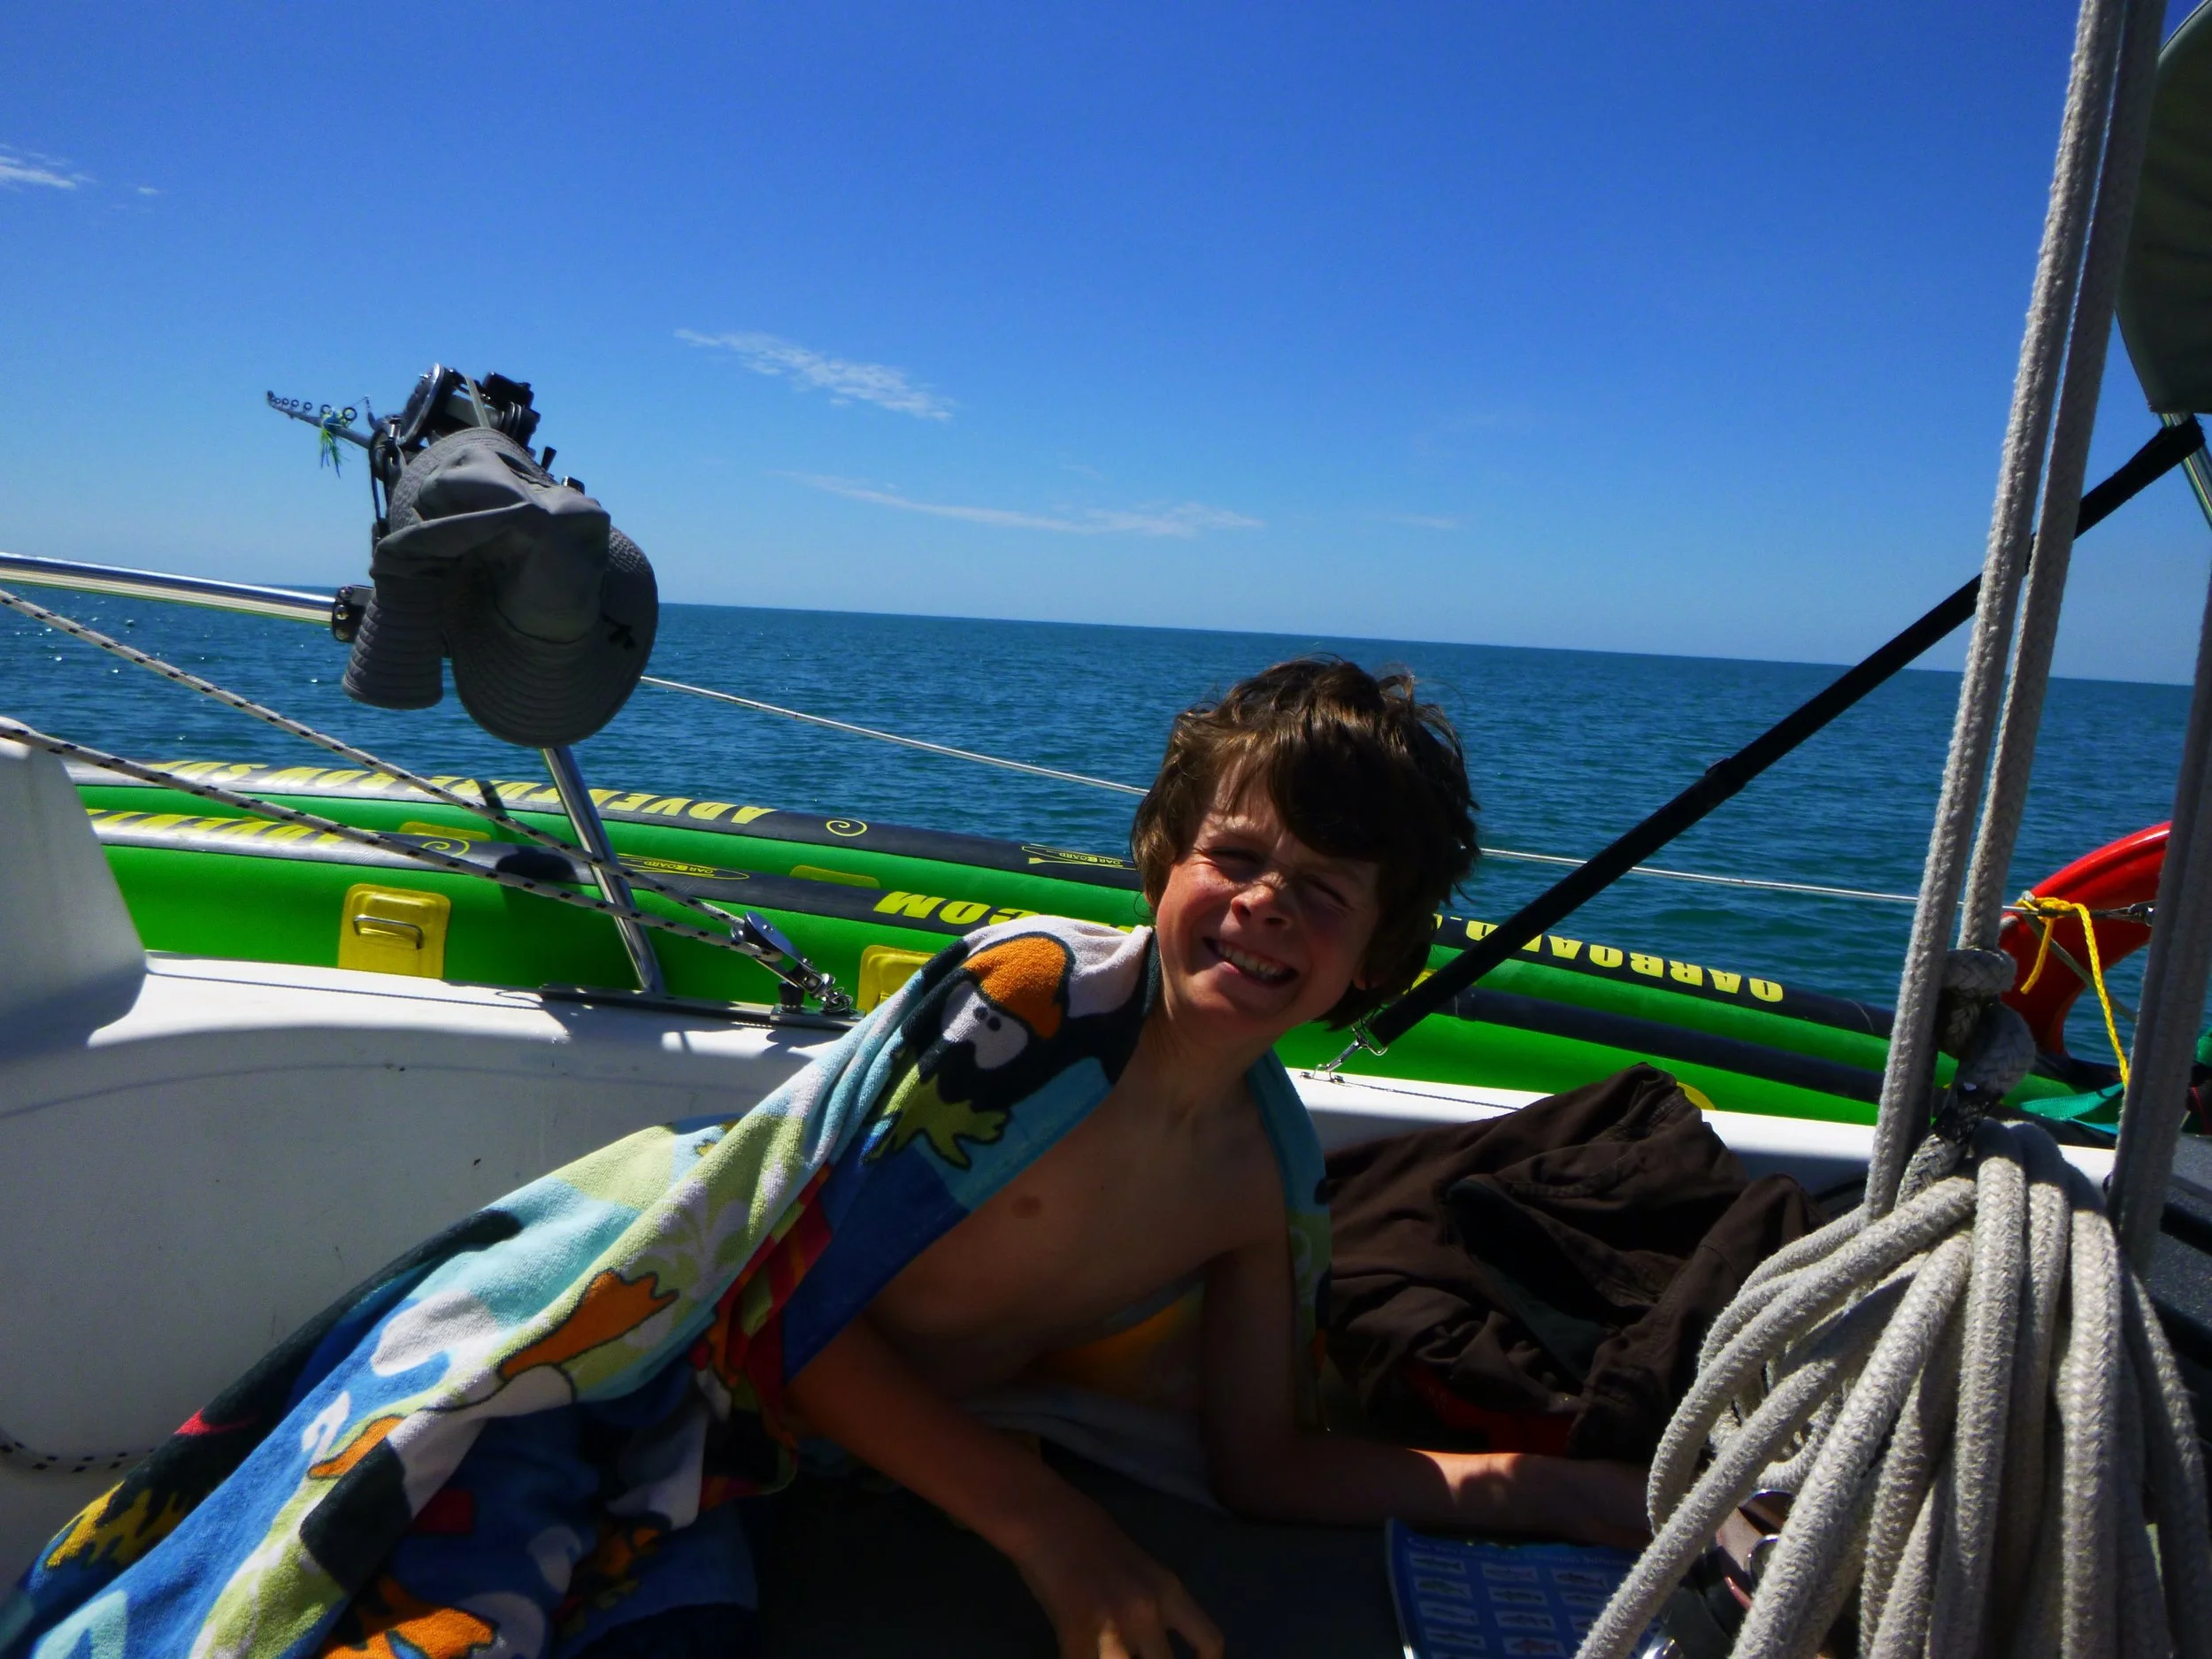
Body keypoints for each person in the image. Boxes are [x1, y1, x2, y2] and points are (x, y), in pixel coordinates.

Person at [786, 657, 1648, 1659]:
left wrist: (1572, 1494)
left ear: (1376, 954)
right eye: (1234, 856)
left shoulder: (1260, 1179)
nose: (1267, 902)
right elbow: (779, 1295)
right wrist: (1056, 1533)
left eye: (1325, 889)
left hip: (886, 1472)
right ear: (1164, 860)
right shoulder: (1031, 1011)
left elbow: (1266, 1467)